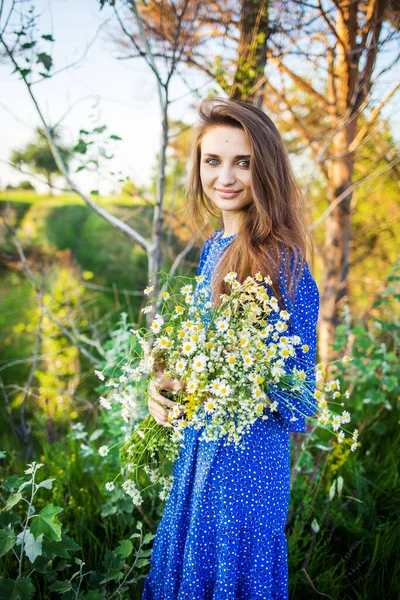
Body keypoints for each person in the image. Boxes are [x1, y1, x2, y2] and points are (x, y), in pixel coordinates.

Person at [142, 97, 320, 599]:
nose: (226, 176)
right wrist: (167, 386)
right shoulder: (213, 249)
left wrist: (225, 384)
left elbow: (299, 400)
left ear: (265, 167)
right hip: (200, 454)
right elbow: (203, 350)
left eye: (243, 162)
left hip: (247, 473)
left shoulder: (284, 264)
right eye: (212, 160)